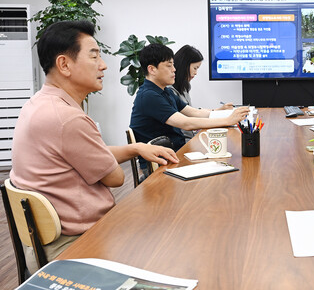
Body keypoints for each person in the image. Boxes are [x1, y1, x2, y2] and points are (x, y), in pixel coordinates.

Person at [9, 20, 179, 272]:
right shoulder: (67, 118)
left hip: (43, 244)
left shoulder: (38, 104)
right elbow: (115, 177)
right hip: (76, 244)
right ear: (64, 64)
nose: (104, 65)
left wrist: (135, 148)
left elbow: (83, 157)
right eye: (94, 56)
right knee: (172, 236)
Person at [130, 44, 249, 151]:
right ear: (152, 69)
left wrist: (227, 114)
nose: (174, 69)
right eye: (169, 66)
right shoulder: (149, 96)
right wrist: (227, 120)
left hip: (174, 152)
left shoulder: (165, 91)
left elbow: (195, 113)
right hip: (160, 163)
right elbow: (186, 123)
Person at [170, 45, 234, 141]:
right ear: (184, 65)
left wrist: (218, 111)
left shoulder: (184, 87)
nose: (196, 73)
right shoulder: (169, 91)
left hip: (190, 137)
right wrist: (225, 119)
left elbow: (193, 112)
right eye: (195, 68)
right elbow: (188, 120)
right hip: (183, 141)